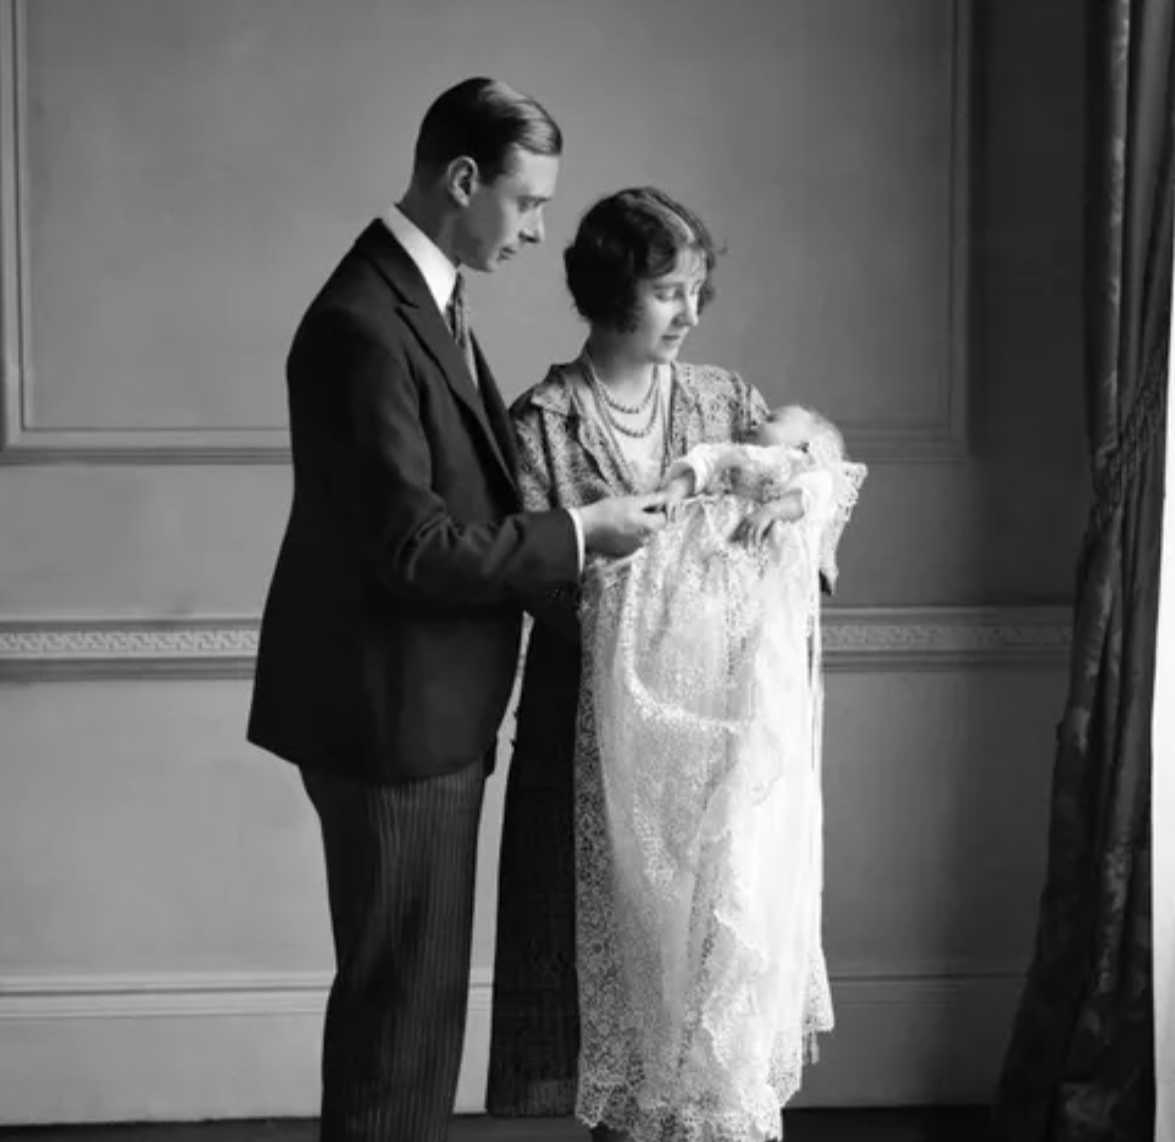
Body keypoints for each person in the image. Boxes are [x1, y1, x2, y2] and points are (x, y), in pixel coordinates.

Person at [247, 80, 667, 1142]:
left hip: (422, 710)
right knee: (401, 1013)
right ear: (463, 178)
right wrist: (580, 533)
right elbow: (414, 549)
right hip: (393, 718)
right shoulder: (363, 322)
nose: (537, 231)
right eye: (527, 205)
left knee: (415, 1004)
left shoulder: (419, 299)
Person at [486, 187, 859, 1140]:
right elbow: (544, 584)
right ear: (612, 291)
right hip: (588, 732)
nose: (690, 314)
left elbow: (807, 472)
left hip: (719, 739)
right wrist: (662, 572)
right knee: (611, 988)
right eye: (667, 293)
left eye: (698, 291)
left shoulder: (722, 399)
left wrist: (789, 507)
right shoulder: (543, 423)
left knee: (709, 989)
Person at [578, 405, 866, 1142]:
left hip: (752, 661)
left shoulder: (801, 470)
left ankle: (723, 1094)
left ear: (803, 442)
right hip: (696, 638)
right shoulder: (730, 449)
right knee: (679, 866)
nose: (766, 413)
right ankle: (677, 1088)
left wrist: (782, 507)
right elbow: (697, 464)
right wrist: (680, 490)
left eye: (786, 418)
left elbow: (825, 488)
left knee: (742, 864)